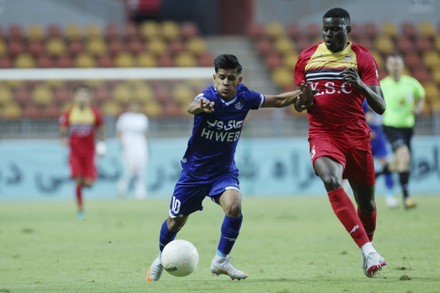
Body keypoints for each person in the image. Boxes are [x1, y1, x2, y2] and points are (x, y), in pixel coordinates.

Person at [146, 54, 309, 282]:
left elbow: (279, 101)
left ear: (238, 80)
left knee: (234, 206)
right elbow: (191, 107)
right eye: (221, 77)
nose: (226, 82)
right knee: (176, 221)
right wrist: (200, 107)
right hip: (194, 173)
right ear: (214, 78)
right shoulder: (207, 97)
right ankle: (161, 256)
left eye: (231, 78)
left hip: (223, 171)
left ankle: (220, 260)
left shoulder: (245, 97)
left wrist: (304, 92)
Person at [293, 8, 387, 277]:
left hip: (356, 136)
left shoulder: (362, 57)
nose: (329, 33)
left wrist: (360, 85)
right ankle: (369, 252)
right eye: (326, 29)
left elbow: (380, 106)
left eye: (335, 29)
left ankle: (367, 248)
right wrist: (305, 101)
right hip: (323, 133)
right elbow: (301, 103)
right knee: (331, 179)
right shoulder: (307, 58)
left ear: (348, 29)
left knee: (367, 205)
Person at [381, 53, 425, 209]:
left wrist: (419, 106)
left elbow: (421, 96)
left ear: (402, 65)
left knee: (402, 161)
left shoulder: (411, 83)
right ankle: (407, 197)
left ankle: (378, 174)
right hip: (390, 126)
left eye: (397, 63)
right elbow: (374, 102)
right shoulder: (383, 85)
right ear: (387, 66)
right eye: (391, 63)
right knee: (404, 155)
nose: (394, 66)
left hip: (408, 127)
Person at [59, 85, 106, 220]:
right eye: (79, 94)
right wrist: (63, 139)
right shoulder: (69, 113)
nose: (82, 97)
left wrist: (102, 145)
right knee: (78, 181)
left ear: (90, 98)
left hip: (89, 153)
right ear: (74, 97)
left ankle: (85, 184)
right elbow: (63, 130)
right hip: (75, 153)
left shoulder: (94, 113)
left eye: (85, 95)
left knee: (89, 184)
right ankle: (80, 209)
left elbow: (101, 129)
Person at [362, 99, 399, 208]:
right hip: (366, 134)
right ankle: (388, 196)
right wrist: (367, 129)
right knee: (363, 168)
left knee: (384, 164)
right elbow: (365, 117)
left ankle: (389, 196)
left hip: (376, 134)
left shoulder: (375, 94)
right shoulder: (363, 98)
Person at [116, 99, 149, 199]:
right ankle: (123, 188)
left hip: (141, 145)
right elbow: (119, 131)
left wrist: (147, 144)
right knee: (129, 169)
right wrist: (121, 144)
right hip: (128, 145)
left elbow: (145, 133)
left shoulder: (143, 118)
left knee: (141, 169)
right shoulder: (125, 117)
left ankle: (140, 192)